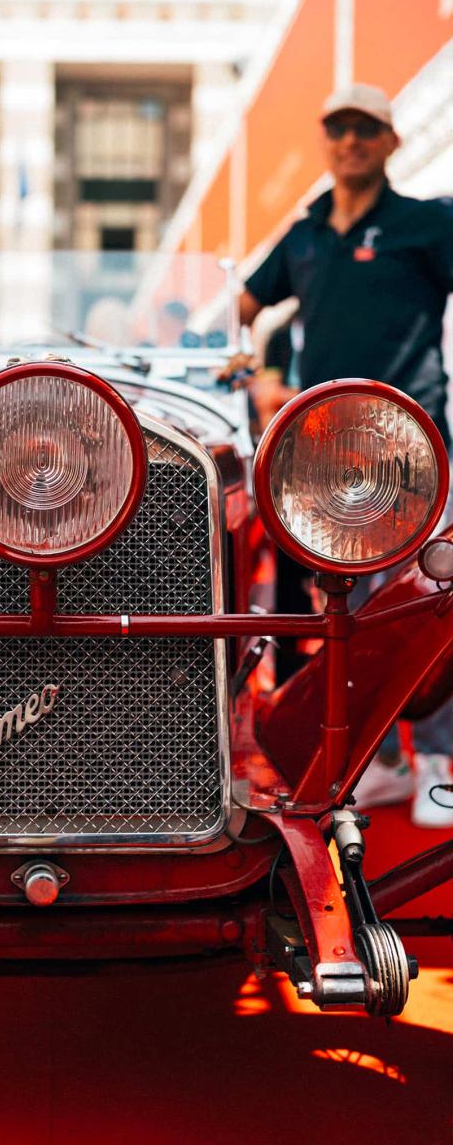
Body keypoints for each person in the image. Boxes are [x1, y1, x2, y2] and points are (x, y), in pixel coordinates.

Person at [238, 82, 453, 827]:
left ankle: (433, 763)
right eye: (341, 128)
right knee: (335, 611)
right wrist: (260, 371)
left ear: (391, 142)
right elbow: (248, 307)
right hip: (323, 459)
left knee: (428, 601)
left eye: (368, 129)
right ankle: (359, 759)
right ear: (326, 140)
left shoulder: (428, 223)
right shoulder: (304, 236)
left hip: (411, 447)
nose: (353, 140)